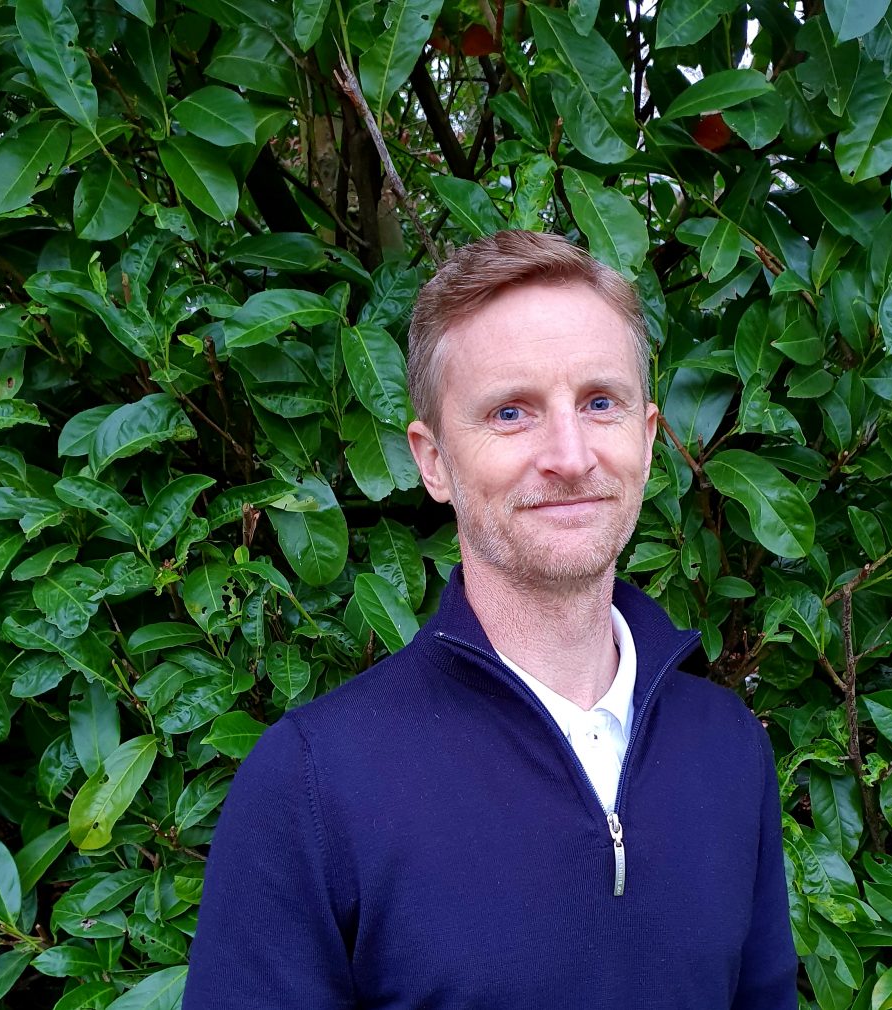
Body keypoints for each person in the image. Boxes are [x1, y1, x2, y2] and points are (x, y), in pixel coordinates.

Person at [182, 231, 798, 1009]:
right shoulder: (311, 786)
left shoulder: (728, 748)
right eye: (512, 412)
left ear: (647, 441)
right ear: (433, 461)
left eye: (599, 403)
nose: (570, 456)